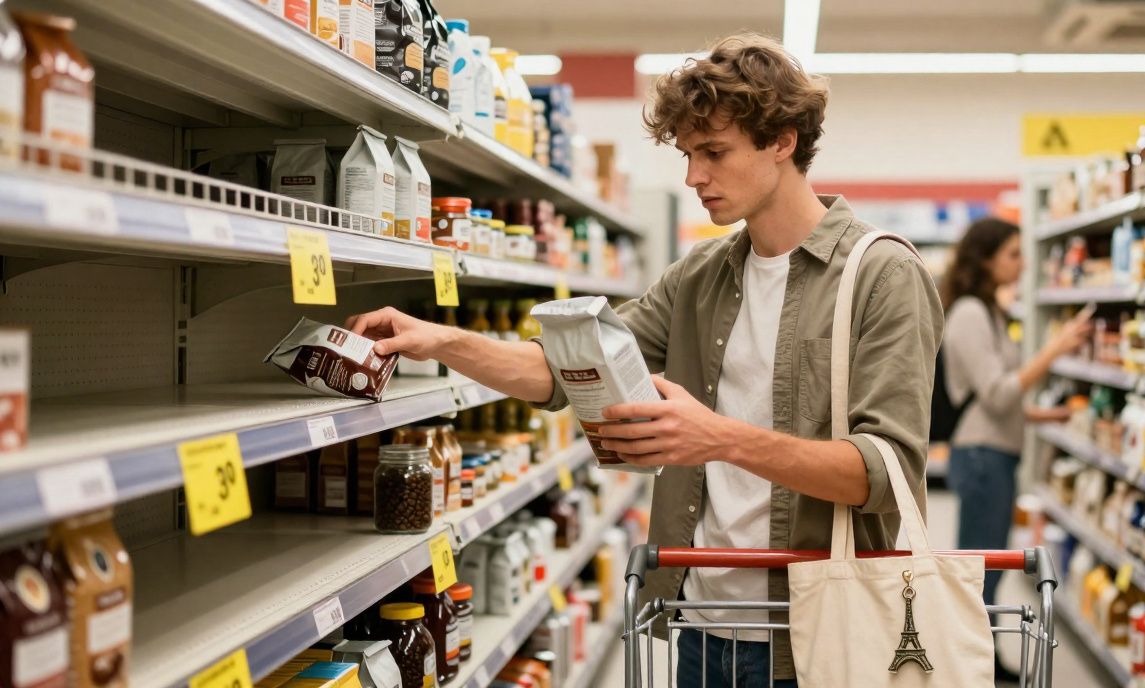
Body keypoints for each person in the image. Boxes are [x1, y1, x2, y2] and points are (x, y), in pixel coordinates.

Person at [346, 33, 942, 688]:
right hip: (702, 620)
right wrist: (443, 340)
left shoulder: (881, 273)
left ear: (783, 140)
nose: (693, 177)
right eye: (688, 155)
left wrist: (716, 438)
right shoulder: (702, 275)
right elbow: (561, 369)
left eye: (713, 152)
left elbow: (885, 473)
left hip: (822, 631)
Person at [940, 217, 1090, 680]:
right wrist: (1055, 349)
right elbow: (998, 395)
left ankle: (978, 660)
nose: (1022, 264)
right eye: (1013, 254)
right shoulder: (968, 312)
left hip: (994, 455)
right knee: (981, 570)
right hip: (981, 459)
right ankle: (969, 666)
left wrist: (1047, 416)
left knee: (990, 567)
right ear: (984, 260)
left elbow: (1000, 404)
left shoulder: (989, 310)